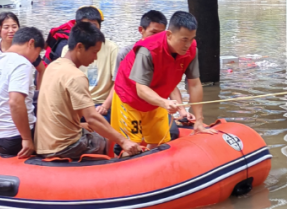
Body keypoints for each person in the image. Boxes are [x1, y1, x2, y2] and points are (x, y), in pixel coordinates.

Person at [35, 22, 142, 160]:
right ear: (79, 47)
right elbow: (92, 118)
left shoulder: (52, 66)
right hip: (64, 148)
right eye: (94, 52)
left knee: (93, 128)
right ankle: (110, 166)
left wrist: (80, 124)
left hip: (43, 143)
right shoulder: (76, 76)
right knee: (105, 138)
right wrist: (124, 141)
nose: (95, 58)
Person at [112, 11, 215, 147]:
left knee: (158, 141)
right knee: (132, 146)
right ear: (169, 35)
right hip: (129, 97)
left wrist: (199, 121)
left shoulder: (191, 49)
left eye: (191, 39)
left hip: (156, 98)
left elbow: (194, 84)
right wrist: (164, 103)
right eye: (184, 39)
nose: (188, 44)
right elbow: (141, 89)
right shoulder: (148, 50)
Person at [0, 27, 46, 157]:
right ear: (31, 43)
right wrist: (27, 139)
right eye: (37, 53)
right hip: (14, 137)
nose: (35, 59)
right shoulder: (22, 64)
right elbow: (15, 102)